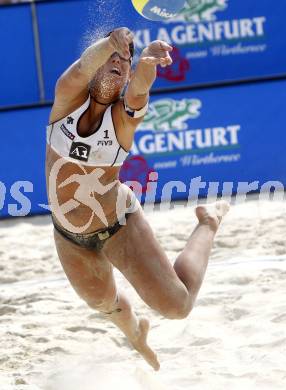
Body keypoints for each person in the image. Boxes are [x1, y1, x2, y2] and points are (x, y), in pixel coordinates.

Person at [46, 27, 229, 371]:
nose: (118, 62)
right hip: (69, 235)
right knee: (103, 303)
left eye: (124, 61)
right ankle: (136, 336)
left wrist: (145, 62)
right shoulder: (68, 96)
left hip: (118, 225)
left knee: (178, 306)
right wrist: (111, 42)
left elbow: (140, 88)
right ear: (96, 62)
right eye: (112, 57)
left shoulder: (122, 120)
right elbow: (83, 67)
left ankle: (208, 222)